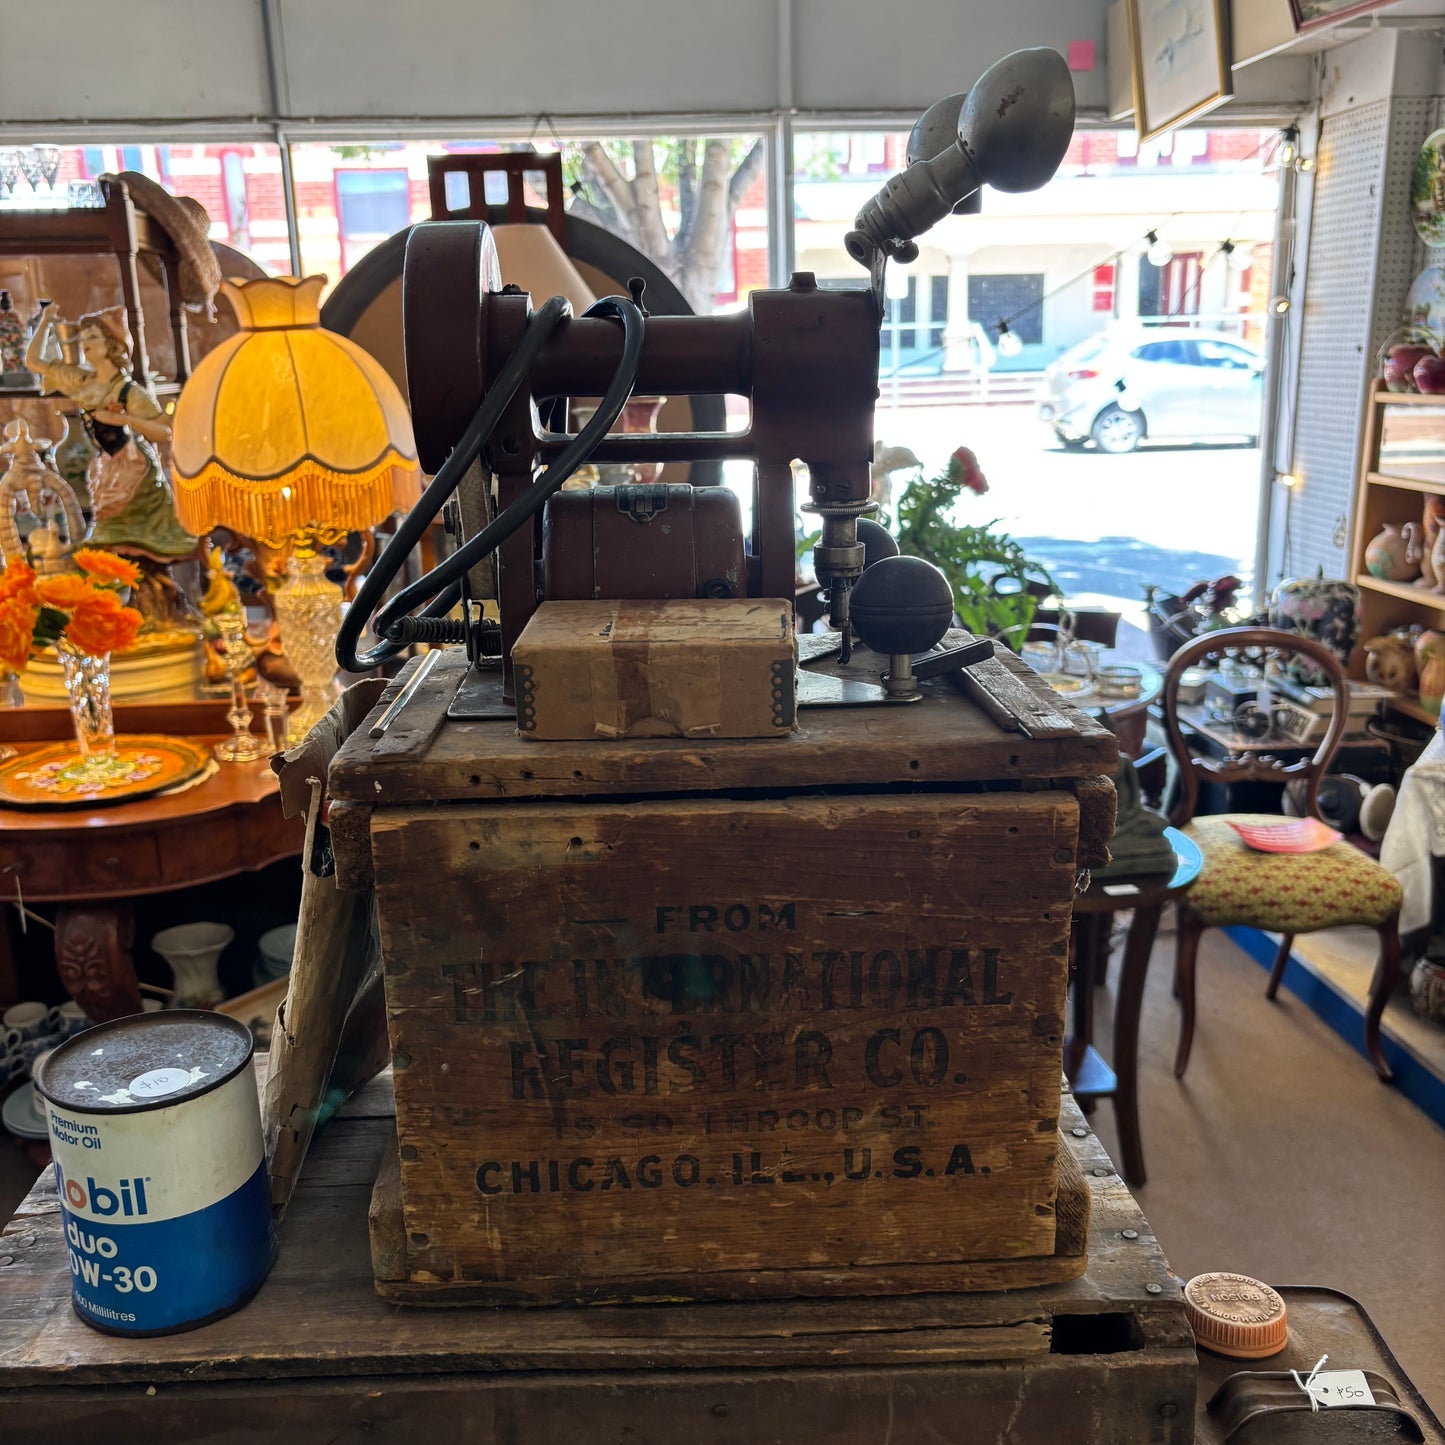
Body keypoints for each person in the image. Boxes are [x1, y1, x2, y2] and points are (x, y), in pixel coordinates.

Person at [25, 305, 198, 629]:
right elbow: (34, 362)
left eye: (93, 337)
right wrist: (46, 322)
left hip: (135, 471)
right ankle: (129, 608)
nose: (85, 343)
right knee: (110, 544)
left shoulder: (130, 391)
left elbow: (165, 430)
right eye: (84, 337)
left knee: (135, 543)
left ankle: (157, 605)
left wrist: (123, 419)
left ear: (112, 345)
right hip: (108, 470)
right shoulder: (82, 381)